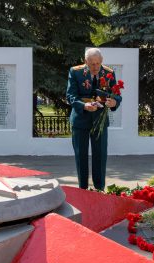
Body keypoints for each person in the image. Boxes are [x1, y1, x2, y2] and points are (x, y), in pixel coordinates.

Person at [66, 48, 122, 190]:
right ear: (86, 62)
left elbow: (116, 94)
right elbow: (70, 96)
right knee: (81, 156)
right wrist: (84, 105)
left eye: (98, 63)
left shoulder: (108, 73)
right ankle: (82, 189)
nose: (96, 67)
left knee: (100, 155)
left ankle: (99, 189)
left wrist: (114, 102)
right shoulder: (75, 72)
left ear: (101, 61)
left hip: (100, 120)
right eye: (92, 64)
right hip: (80, 120)